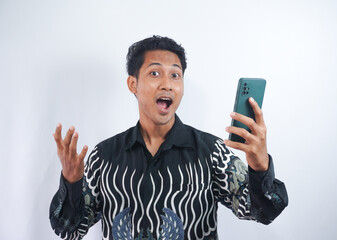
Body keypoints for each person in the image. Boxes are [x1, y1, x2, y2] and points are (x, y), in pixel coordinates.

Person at [49, 35, 288, 240]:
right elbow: (69, 231)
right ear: (133, 84)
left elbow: (264, 212)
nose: (168, 84)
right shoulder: (104, 156)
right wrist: (72, 182)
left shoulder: (210, 152)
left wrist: (260, 166)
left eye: (175, 75)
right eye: (155, 73)